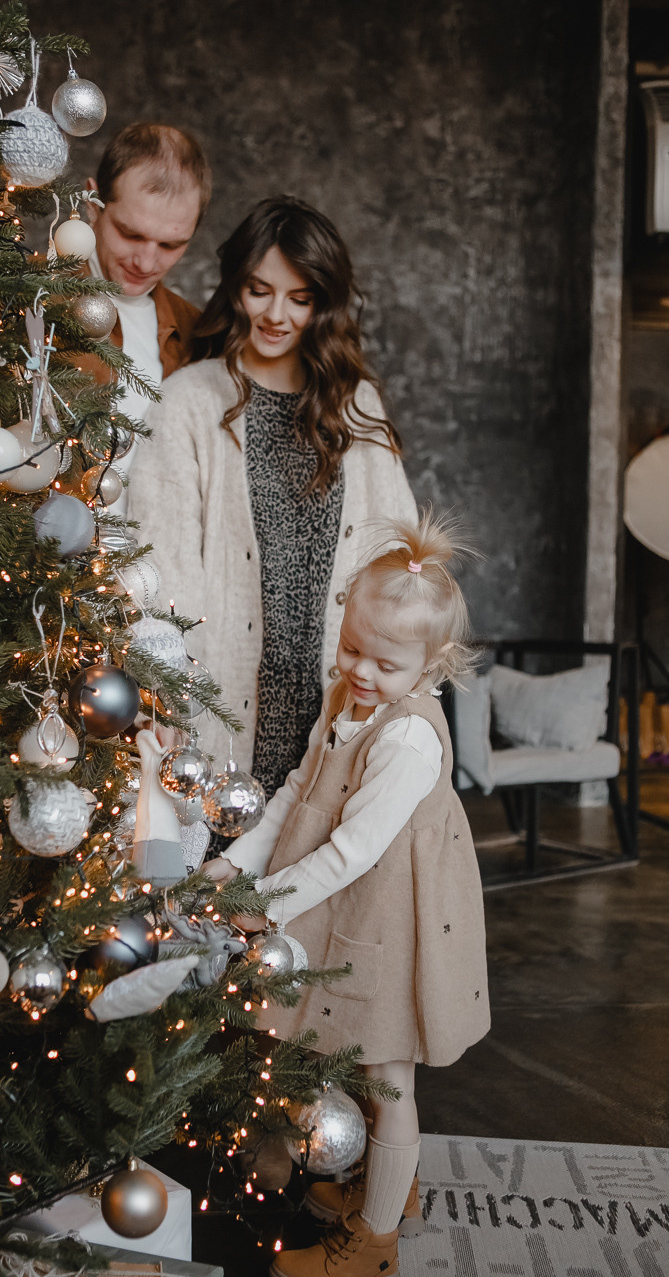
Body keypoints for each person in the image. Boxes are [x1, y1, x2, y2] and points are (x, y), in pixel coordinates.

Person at [205, 512, 490, 1277]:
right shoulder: (346, 700)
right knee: (344, 1053)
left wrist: (266, 902)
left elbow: (355, 850)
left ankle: (375, 1243)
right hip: (338, 898)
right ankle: (384, 1190)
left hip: (389, 914)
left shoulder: (408, 736)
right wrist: (235, 866)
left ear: (431, 665)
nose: (361, 672)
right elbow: (297, 792)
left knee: (385, 1071)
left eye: (385, 665)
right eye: (352, 649)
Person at [128, 197, 416, 793]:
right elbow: (162, 569)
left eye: (300, 298)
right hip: (224, 707)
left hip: (342, 704)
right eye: (259, 291)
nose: (276, 315)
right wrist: (171, 695)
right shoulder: (188, 401)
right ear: (236, 286)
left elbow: (402, 563)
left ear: (324, 303)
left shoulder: (357, 405)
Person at [81, 123, 211, 504]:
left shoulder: (200, 334)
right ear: (93, 204)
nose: (146, 262)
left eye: (170, 245)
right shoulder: (33, 302)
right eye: (131, 234)